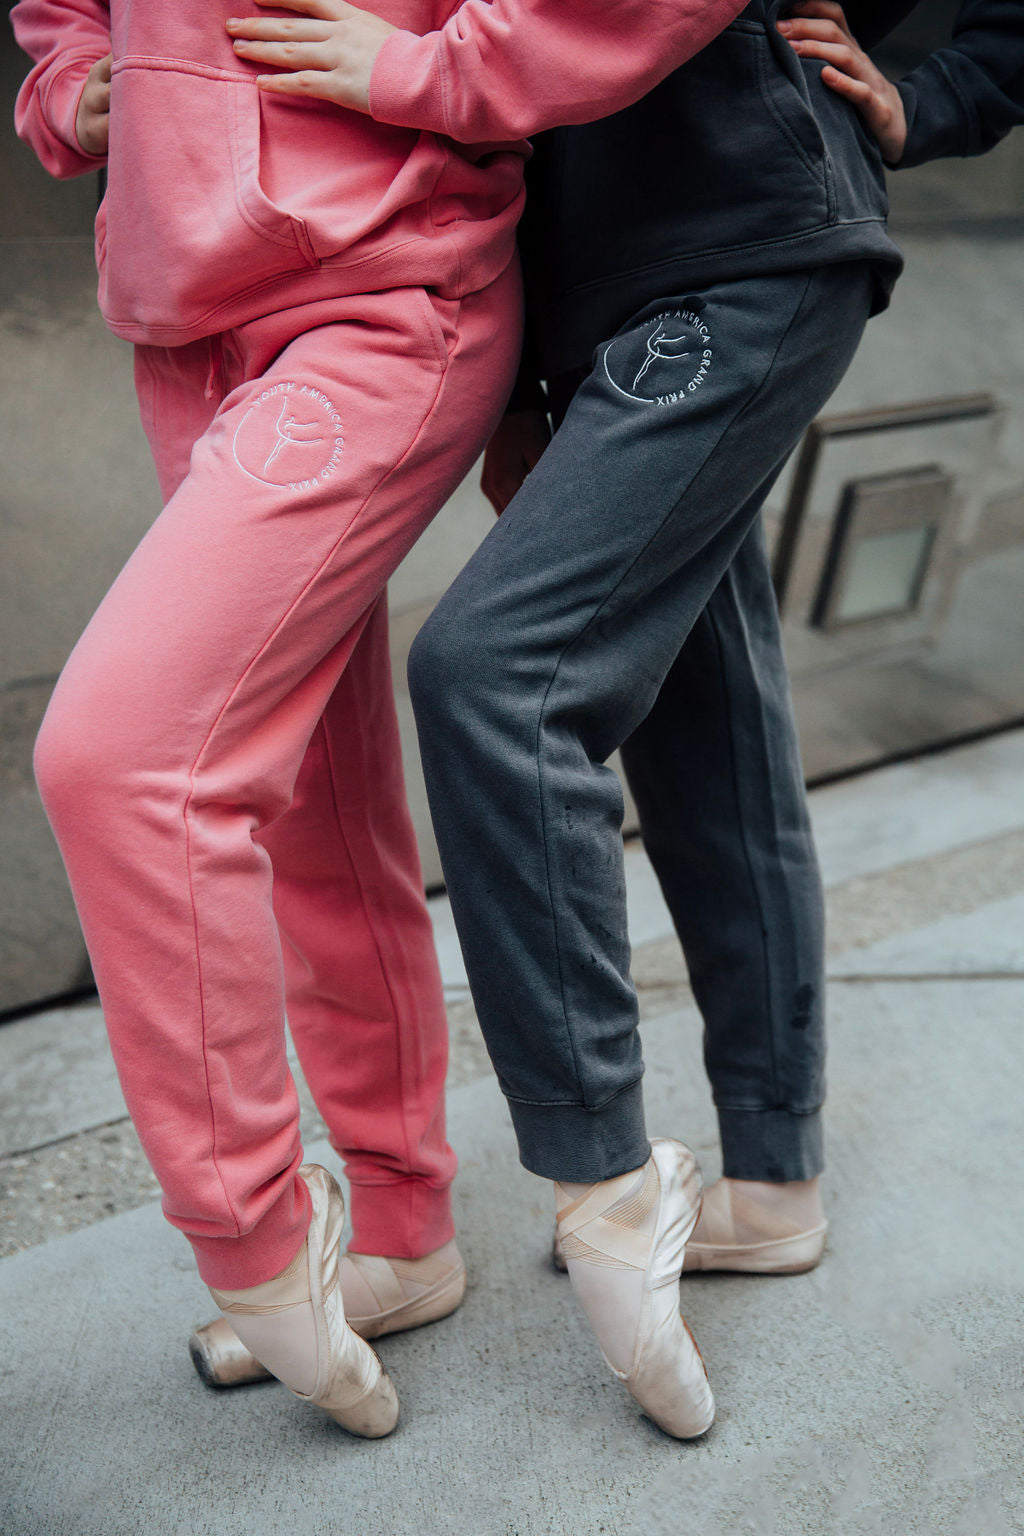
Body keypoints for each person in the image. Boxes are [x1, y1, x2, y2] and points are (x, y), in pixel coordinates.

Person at [232, 0, 1022, 1438]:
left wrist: (931, 90)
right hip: (619, 307)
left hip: (743, 245)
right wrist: (538, 384)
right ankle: (772, 1182)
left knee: (495, 677)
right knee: (707, 718)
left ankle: (610, 1178)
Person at [12, 0, 751, 1436]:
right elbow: (64, 22)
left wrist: (436, 68)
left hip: (386, 292)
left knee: (130, 762)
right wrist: (77, 92)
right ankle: (404, 1229)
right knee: (312, 805)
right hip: (187, 326)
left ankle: (260, 1244)